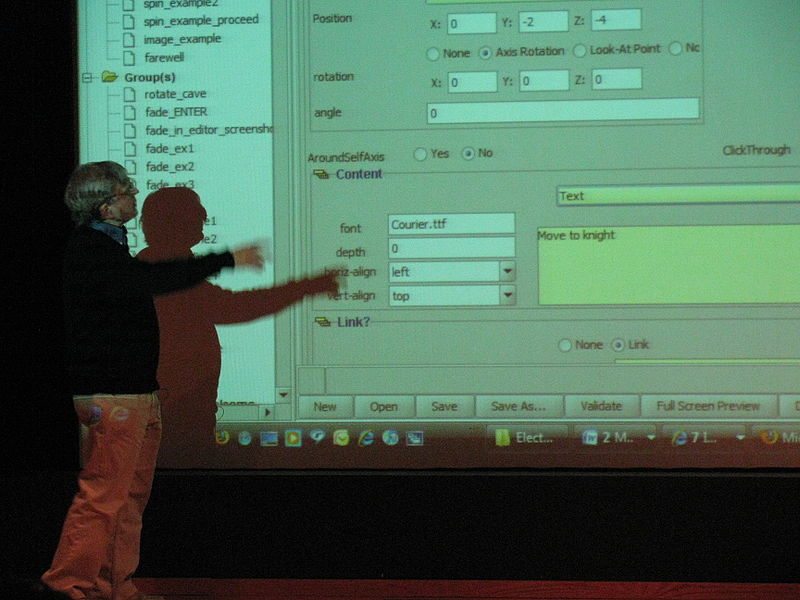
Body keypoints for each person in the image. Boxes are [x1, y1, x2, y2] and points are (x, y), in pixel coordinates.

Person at [42, 161, 268, 600]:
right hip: (115, 395)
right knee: (103, 496)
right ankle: (66, 584)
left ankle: (115, 585)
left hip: (136, 392)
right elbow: (153, 279)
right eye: (127, 191)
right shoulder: (90, 249)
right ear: (106, 206)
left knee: (129, 499)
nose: (134, 195)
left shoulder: (109, 247)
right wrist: (227, 259)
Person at [136, 187, 338, 467]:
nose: (204, 216)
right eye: (195, 212)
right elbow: (235, 307)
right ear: (174, 222)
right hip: (176, 422)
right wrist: (306, 287)